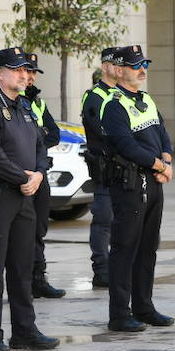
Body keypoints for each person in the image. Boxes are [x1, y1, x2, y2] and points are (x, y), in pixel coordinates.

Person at [0, 47, 60, 351]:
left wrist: (38, 174)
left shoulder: (24, 106)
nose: (24, 75)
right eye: (17, 70)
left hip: (24, 198)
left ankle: (24, 331)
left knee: (22, 268)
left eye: (25, 70)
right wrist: (23, 178)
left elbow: (40, 145)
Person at [101, 44, 173, 332]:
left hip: (153, 182)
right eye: (135, 65)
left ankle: (144, 307)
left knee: (148, 247)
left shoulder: (146, 99)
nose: (142, 70)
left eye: (144, 64)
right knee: (125, 248)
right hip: (130, 184)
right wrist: (160, 166)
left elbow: (162, 133)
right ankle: (120, 313)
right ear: (119, 71)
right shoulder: (114, 105)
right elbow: (127, 146)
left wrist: (166, 160)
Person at [22, 53, 65, 299]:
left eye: (33, 72)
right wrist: (38, 137)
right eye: (27, 71)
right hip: (20, 175)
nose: (30, 77)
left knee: (39, 229)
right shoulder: (8, 101)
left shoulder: (38, 103)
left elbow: (54, 134)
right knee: (21, 232)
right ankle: (23, 282)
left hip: (40, 172)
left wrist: (35, 140)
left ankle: (38, 278)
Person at [80, 49, 119, 289]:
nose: (119, 68)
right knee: (103, 221)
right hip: (105, 168)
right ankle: (101, 270)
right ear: (105, 67)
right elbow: (102, 130)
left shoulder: (122, 94)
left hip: (125, 169)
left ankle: (118, 266)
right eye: (114, 64)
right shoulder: (94, 96)